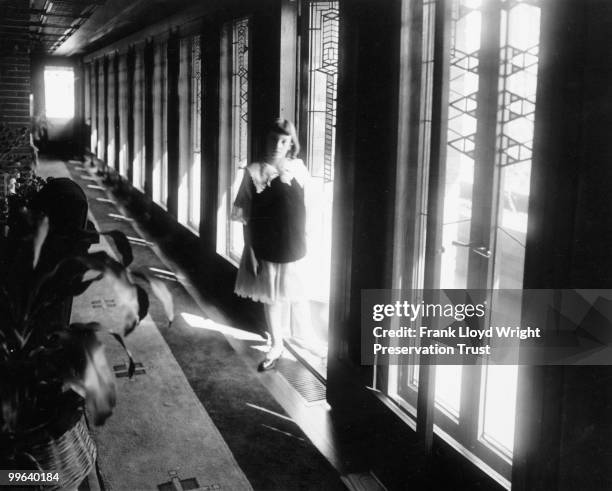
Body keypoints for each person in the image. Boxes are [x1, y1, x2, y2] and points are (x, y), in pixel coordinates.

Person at [232, 118, 309, 371]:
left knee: (293, 293)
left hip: (294, 244)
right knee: (273, 298)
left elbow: (309, 205)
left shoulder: (298, 168)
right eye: (273, 139)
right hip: (266, 246)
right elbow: (244, 216)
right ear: (265, 141)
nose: (277, 145)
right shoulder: (254, 172)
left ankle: (300, 337)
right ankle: (277, 343)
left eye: (284, 140)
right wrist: (251, 252)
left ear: (291, 144)